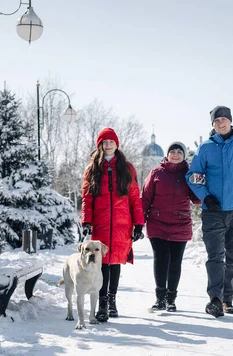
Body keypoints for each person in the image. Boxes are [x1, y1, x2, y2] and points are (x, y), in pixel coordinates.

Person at [186, 106, 233, 318]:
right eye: (216, 120)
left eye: (224, 120)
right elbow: (193, 175)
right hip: (213, 211)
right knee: (215, 256)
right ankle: (215, 299)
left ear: (230, 121)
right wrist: (206, 197)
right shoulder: (205, 148)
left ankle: (228, 298)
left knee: (232, 256)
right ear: (212, 124)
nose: (221, 123)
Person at [81, 127, 144, 322]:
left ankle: (112, 300)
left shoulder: (127, 168)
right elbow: (87, 197)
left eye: (111, 142)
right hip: (100, 223)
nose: (108, 145)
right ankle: (102, 304)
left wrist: (139, 223)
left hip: (121, 223)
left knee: (115, 262)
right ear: (99, 145)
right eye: (104, 142)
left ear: (117, 144)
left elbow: (134, 197)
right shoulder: (92, 168)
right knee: (102, 264)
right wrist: (87, 220)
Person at [141, 141, 201, 312]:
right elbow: (145, 199)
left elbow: (197, 199)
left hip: (180, 223)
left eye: (179, 152)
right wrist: (140, 222)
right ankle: (160, 298)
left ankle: (171, 299)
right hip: (157, 222)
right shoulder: (156, 173)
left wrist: (200, 181)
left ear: (183, 155)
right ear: (167, 155)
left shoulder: (189, 174)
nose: (175, 154)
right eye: (172, 151)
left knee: (175, 262)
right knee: (161, 259)